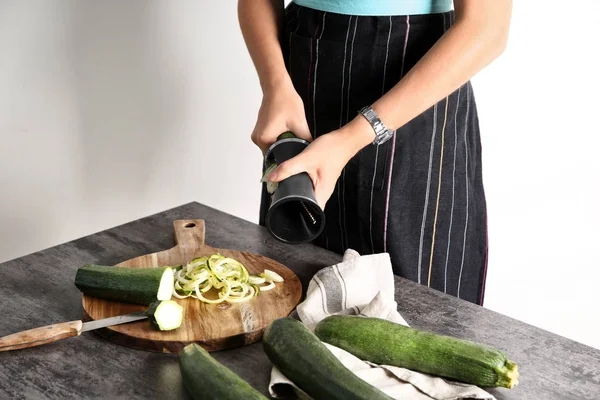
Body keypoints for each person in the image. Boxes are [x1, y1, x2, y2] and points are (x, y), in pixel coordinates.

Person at [238, 0, 512, 306]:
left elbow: (487, 29)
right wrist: (275, 85)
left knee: (418, 317)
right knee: (286, 295)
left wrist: (350, 138)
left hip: (417, 94)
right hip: (304, 82)